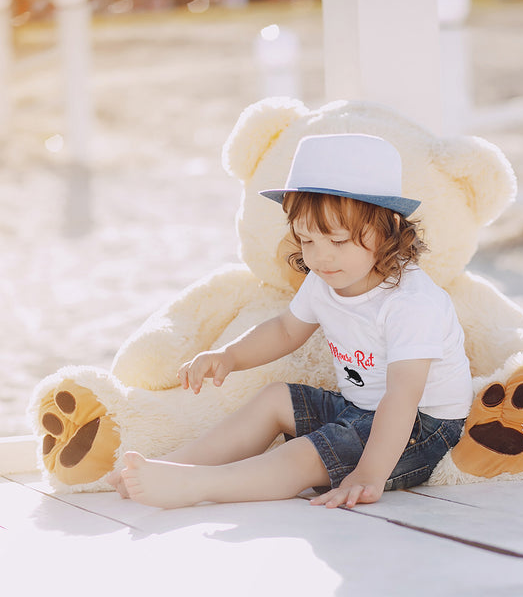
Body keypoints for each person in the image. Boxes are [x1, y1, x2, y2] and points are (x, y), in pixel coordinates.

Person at [109, 133, 473, 509]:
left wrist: (369, 474)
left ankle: (201, 485)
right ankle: (172, 466)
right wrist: (229, 356)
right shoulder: (324, 281)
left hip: (419, 428)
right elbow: (285, 330)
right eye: (307, 240)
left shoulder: (411, 303)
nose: (321, 257)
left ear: (386, 229)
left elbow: (402, 397)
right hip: (361, 408)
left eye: (337, 240)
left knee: (306, 454)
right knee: (275, 398)